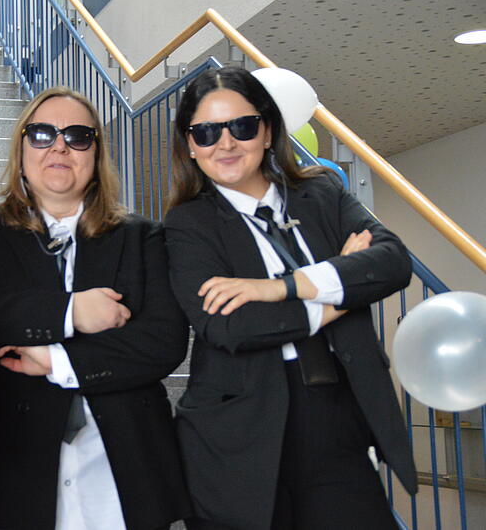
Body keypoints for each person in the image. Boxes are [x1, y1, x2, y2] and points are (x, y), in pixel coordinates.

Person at [163, 67, 418, 530]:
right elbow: (230, 326)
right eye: (206, 132)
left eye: (242, 126)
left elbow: (393, 262)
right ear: (190, 146)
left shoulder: (322, 192)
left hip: (337, 415)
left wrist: (282, 287)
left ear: (267, 132)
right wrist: (341, 290)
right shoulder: (186, 224)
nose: (225, 143)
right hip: (237, 435)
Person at [0, 86, 192, 530]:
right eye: (41, 134)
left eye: (77, 136)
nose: (59, 146)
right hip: (13, 468)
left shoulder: (143, 237)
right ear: (21, 150)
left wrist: (55, 360)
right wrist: (72, 312)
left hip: (125, 469)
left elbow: (162, 341)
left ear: (96, 154)